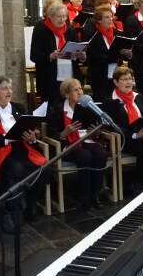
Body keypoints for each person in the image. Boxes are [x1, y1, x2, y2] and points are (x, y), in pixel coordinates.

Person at [0, 76, 48, 221]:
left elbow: (27, 129)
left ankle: (30, 205)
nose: (9, 91)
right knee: (15, 167)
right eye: (4, 88)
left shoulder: (19, 107)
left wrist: (32, 137)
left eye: (10, 88)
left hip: (22, 148)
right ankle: (10, 211)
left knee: (42, 167)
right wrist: (8, 138)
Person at [46, 78, 109, 210]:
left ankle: (95, 194)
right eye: (76, 90)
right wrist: (64, 133)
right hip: (68, 144)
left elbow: (98, 129)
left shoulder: (89, 107)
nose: (80, 92)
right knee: (84, 156)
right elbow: (51, 134)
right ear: (67, 94)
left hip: (87, 140)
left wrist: (96, 132)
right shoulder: (56, 110)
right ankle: (83, 197)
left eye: (81, 89)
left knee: (101, 154)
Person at [30, 0, 83, 104]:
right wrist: (51, 56)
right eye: (59, 16)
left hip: (70, 79)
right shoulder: (41, 30)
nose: (62, 20)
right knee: (53, 110)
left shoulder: (70, 30)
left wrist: (81, 56)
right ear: (50, 16)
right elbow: (34, 55)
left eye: (64, 16)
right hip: (49, 79)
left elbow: (77, 53)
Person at [86, 5, 132, 99]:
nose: (110, 19)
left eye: (111, 16)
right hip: (99, 75)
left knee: (116, 99)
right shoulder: (93, 35)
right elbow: (94, 56)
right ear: (99, 20)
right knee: (102, 100)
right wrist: (116, 55)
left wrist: (127, 54)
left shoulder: (117, 33)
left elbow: (122, 52)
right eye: (107, 17)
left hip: (116, 75)